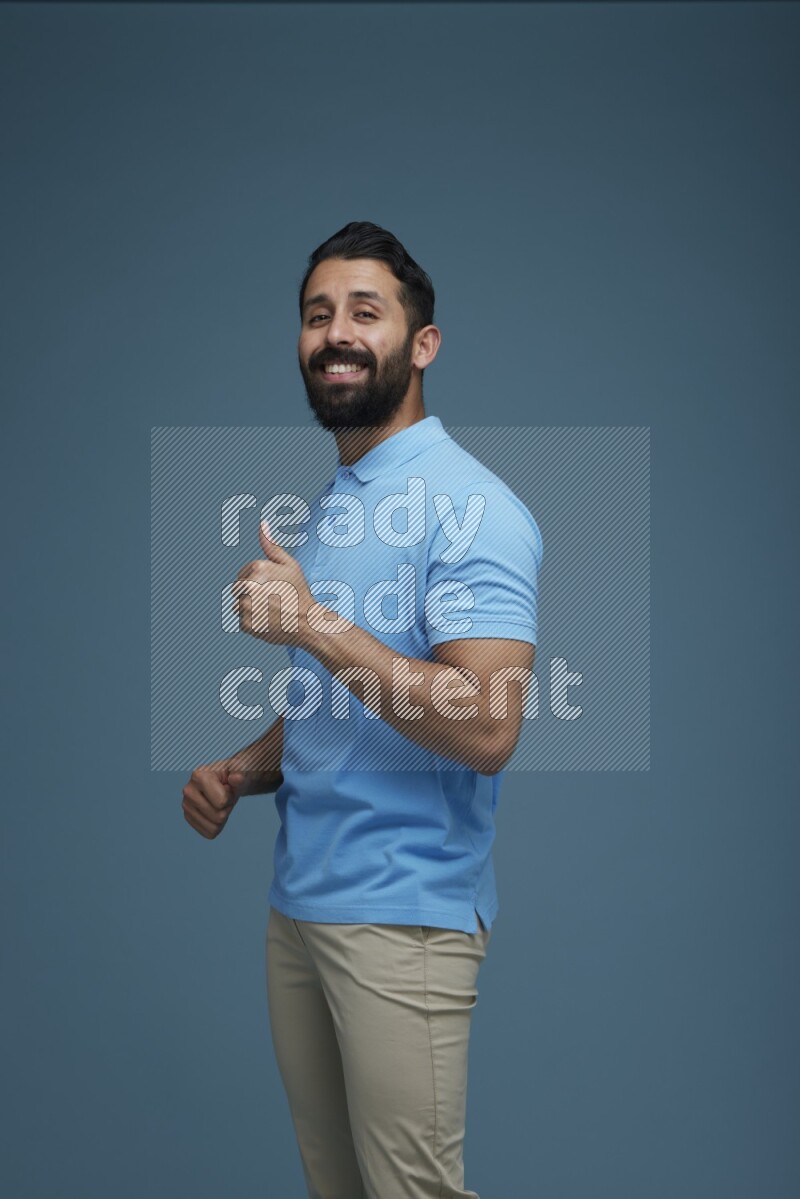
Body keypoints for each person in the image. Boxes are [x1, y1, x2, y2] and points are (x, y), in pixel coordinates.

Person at [181, 221, 543, 1199]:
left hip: (404, 914)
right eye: (316, 313)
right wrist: (245, 767)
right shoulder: (345, 498)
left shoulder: (471, 507)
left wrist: (311, 622)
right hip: (302, 904)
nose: (335, 331)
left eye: (363, 311)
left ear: (420, 344)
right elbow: (342, 703)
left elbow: (485, 726)